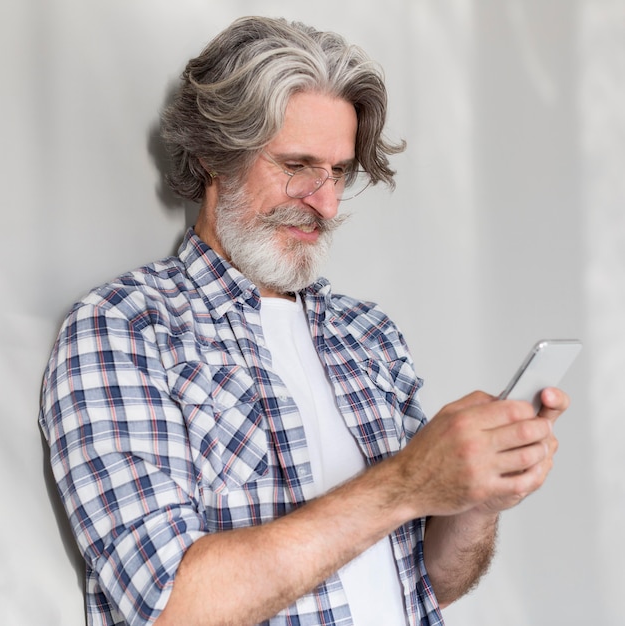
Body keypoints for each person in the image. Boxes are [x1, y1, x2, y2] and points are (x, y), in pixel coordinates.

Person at [39, 15, 569, 626]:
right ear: (216, 156)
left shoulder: (367, 334)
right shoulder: (123, 329)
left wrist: (477, 499)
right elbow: (170, 606)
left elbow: (429, 586)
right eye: (297, 165)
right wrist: (406, 482)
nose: (325, 202)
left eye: (339, 172)